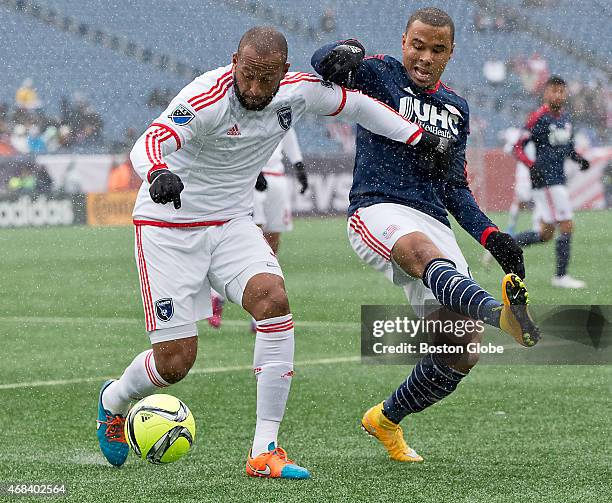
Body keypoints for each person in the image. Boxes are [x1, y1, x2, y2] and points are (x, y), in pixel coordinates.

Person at [96, 26, 446, 479]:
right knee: (175, 362)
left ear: (284, 71)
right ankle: (113, 399)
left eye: (267, 78)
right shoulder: (206, 96)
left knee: (273, 301)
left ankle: (265, 450)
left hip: (232, 223)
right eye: (248, 76)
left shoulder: (297, 91)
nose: (256, 89)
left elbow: (359, 106)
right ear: (234, 62)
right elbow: (149, 142)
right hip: (168, 227)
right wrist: (158, 172)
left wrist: (418, 138)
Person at [312, 7, 539, 463]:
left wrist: (494, 236)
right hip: (377, 209)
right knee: (419, 252)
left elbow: (454, 188)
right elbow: (323, 64)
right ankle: (502, 316)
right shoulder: (378, 74)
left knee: (461, 350)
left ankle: (385, 418)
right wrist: (345, 52)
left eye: (437, 49)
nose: (425, 57)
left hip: (434, 220)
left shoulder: (457, 108)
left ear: (450, 53)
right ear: (403, 42)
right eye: (418, 45)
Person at [209, 129, 307, 329]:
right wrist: (255, 169)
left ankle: (261, 312)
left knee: (272, 242)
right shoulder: (249, 101)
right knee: (248, 240)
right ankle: (217, 297)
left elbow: (287, 130)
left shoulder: (282, 102)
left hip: (278, 176)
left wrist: (298, 164)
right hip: (251, 177)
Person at [513, 76, 590, 289]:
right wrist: (532, 165)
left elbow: (566, 148)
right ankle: (561, 276)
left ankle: (508, 243)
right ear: (545, 93)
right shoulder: (538, 117)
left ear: (566, 94)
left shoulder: (565, 119)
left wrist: (579, 159)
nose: (558, 95)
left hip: (557, 180)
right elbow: (517, 147)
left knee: (546, 233)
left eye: (561, 91)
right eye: (554, 91)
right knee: (566, 223)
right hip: (546, 181)